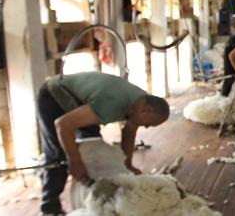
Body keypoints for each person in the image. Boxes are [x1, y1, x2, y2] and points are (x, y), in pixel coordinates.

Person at [36, 71, 170, 215]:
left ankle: (90, 188)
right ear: (144, 111)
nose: (147, 127)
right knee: (59, 157)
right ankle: (49, 208)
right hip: (54, 96)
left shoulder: (141, 103)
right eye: (148, 124)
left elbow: (128, 133)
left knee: (93, 144)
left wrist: (127, 165)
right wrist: (75, 162)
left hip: (81, 101)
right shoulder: (111, 104)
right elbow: (62, 125)